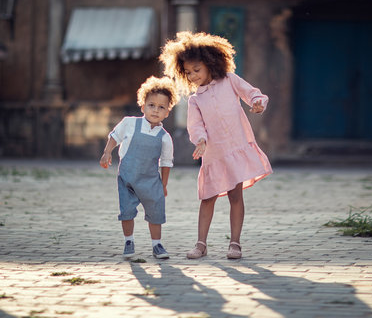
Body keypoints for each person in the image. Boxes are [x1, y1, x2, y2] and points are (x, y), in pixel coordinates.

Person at [159, 31, 272, 259]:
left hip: (235, 148)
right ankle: (201, 244)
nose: (192, 76)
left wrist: (258, 103)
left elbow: (252, 94)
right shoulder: (195, 99)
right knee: (207, 198)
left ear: (211, 63)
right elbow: (195, 126)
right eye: (188, 72)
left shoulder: (230, 80)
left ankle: (235, 243)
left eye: (196, 70)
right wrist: (200, 140)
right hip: (213, 154)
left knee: (235, 195)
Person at [100, 76, 179, 259]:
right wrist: (107, 152)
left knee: (156, 211)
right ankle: (129, 240)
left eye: (161, 107)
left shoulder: (165, 137)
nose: (155, 110)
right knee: (126, 211)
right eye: (151, 105)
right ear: (143, 106)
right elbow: (114, 136)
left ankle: (157, 244)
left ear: (168, 112)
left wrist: (163, 185)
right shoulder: (129, 123)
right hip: (127, 178)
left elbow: (166, 163)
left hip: (151, 181)